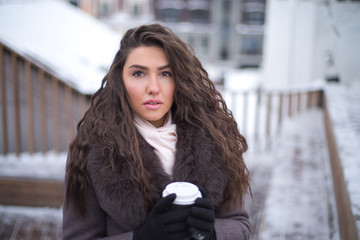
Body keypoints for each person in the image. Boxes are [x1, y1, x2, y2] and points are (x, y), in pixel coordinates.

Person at [63, 23, 251, 240]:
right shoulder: (91, 150)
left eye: (165, 73)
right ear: (120, 81)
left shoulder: (215, 139)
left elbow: (241, 226)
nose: (153, 87)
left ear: (179, 79)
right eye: (139, 73)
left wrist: (213, 234)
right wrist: (140, 237)